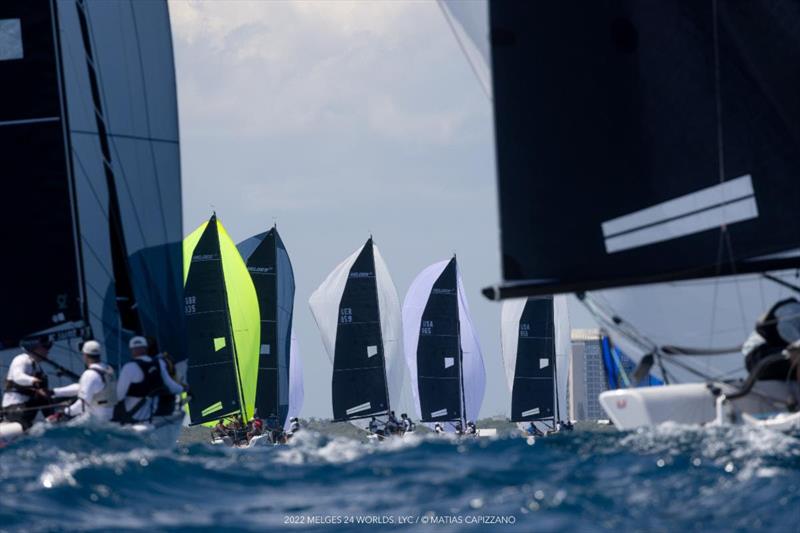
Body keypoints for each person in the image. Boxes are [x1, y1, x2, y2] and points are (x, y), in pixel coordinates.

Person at [114, 336, 184, 423]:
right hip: (152, 412)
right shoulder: (159, 363)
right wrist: (183, 388)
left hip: (133, 415)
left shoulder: (129, 367)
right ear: (145, 348)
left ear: (132, 350)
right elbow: (171, 386)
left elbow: (119, 396)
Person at [49, 340, 116, 423]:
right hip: (109, 416)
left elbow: (82, 405)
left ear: (85, 355)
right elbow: (82, 387)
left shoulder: (90, 374)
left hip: (95, 420)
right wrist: (55, 392)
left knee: (47, 424)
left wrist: (64, 412)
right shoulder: (108, 369)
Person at [2, 336, 55, 430]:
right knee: (42, 395)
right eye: (45, 347)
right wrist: (32, 381)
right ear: (35, 348)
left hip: (27, 407)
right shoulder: (22, 359)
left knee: (45, 395)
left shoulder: (36, 366)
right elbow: (18, 376)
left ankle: (53, 419)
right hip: (14, 409)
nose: (48, 350)